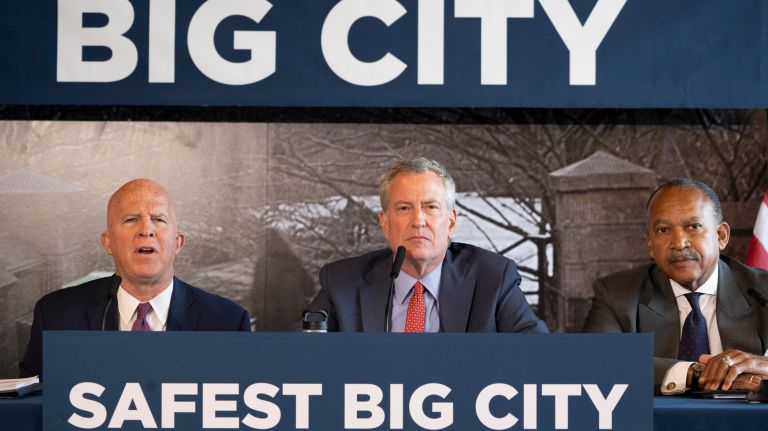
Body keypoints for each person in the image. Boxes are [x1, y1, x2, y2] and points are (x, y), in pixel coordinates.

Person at [20, 179, 251, 377]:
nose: (146, 230)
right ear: (108, 243)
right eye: (131, 219)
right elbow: (31, 410)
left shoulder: (227, 323)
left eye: (159, 219)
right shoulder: (55, 315)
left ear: (178, 243)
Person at [306, 157, 546, 333]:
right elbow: (297, 357)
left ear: (451, 222)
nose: (418, 221)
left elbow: (537, 355)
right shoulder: (342, 282)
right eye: (404, 208)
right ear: (385, 223)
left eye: (430, 207)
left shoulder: (494, 278)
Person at [583, 179, 768, 393]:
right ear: (650, 244)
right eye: (663, 230)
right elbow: (595, 362)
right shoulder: (616, 294)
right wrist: (696, 374)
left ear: (721, 236)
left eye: (694, 226)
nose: (679, 243)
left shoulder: (762, 290)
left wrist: (760, 365)